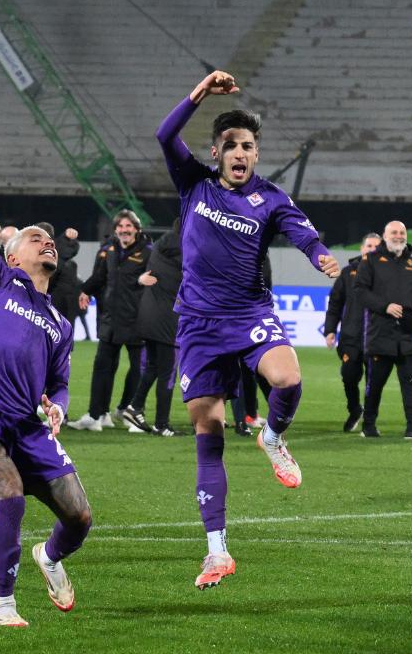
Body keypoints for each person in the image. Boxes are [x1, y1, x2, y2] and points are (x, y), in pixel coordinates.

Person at [156, 71, 340, 589]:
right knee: (207, 434)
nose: (241, 152)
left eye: (249, 145)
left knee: (287, 379)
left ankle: (273, 435)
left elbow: (305, 236)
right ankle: (216, 551)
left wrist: (322, 257)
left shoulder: (272, 198)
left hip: (248, 314)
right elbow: (164, 136)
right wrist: (197, 93)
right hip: (196, 324)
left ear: (256, 155)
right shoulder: (193, 184)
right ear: (216, 152)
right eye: (232, 144)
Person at [0, 163, 91, 627]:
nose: (47, 241)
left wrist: (58, 406)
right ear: (13, 256)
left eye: (49, 240)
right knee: (8, 492)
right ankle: (3, 604)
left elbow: (60, 383)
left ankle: (50, 557)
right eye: (36, 238)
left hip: (28, 423)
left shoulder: (60, 323)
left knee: (80, 518)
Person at [69, 210, 151, 431]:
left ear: (137, 229)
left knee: (138, 369)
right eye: (121, 227)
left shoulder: (149, 252)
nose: (124, 230)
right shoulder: (110, 251)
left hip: (137, 321)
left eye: (129, 227)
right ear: (115, 230)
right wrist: (85, 291)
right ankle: (96, 415)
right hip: (111, 320)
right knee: (102, 367)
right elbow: (100, 278)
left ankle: (128, 410)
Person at [355, 221, 412, 440]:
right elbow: (359, 291)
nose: (399, 236)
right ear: (384, 236)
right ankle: (368, 425)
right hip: (381, 334)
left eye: (402, 233)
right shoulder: (370, 261)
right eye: (394, 232)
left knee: (410, 385)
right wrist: (385, 306)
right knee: (376, 384)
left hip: (408, 335)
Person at [120, 222, 182, 437]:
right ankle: (161, 424)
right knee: (167, 372)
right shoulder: (184, 253)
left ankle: (134, 408)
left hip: (148, 316)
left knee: (153, 367)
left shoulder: (160, 247)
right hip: (167, 319)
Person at [325, 232, 381, 432]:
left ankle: (370, 420)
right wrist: (330, 330)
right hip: (351, 337)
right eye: (369, 246)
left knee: (373, 382)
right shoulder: (348, 273)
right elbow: (335, 303)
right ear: (362, 248)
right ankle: (355, 409)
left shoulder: (386, 274)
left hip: (376, 337)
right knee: (349, 375)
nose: (372, 249)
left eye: (376, 246)